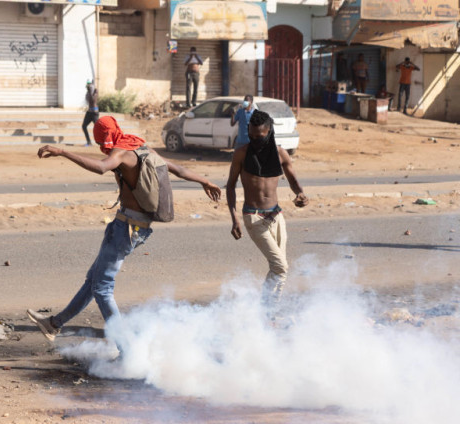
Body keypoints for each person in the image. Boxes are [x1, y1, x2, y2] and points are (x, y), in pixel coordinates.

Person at [27, 116, 221, 341]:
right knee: (94, 280)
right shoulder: (141, 147)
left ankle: (126, 350)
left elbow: (101, 167)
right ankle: (53, 324)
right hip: (137, 228)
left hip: (126, 229)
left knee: (102, 288)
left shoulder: (120, 153)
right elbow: (177, 168)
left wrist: (63, 152)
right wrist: (204, 181)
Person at [226, 110, 308, 309]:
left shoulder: (280, 154)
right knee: (281, 267)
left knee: (278, 268)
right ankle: (268, 311)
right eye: (252, 136)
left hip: (276, 216)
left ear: (269, 132)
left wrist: (300, 194)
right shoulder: (242, 154)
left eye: (260, 137)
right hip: (253, 218)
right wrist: (234, 219)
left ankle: (266, 310)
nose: (256, 140)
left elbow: (293, 181)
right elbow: (230, 186)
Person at [81, 80, 99, 147]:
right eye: (88, 85)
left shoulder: (95, 93)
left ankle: (104, 141)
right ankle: (89, 142)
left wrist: (92, 91)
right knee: (84, 126)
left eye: (90, 86)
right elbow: (88, 100)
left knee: (98, 127)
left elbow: (93, 100)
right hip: (89, 112)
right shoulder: (88, 93)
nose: (89, 87)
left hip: (94, 113)